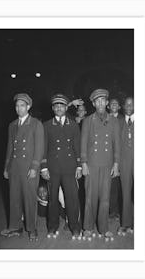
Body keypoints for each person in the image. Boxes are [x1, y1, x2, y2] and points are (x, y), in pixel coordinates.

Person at [0, 93, 44, 241]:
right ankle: (15, 227)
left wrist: (34, 167)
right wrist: (7, 167)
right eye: (17, 106)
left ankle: (32, 229)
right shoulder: (12, 125)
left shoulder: (36, 124)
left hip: (29, 168)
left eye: (22, 105)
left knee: (30, 198)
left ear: (28, 107)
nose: (19, 108)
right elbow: (9, 148)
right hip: (14, 167)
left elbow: (39, 148)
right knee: (14, 198)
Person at [81, 88, 120, 242]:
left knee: (105, 198)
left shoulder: (114, 121)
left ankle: (104, 228)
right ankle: (88, 227)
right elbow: (83, 143)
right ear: (93, 103)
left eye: (103, 100)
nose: (100, 103)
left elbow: (116, 144)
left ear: (107, 102)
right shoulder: (88, 120)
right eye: (97, 101)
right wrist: (83, 163)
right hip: (91, 164)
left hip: (107, 163)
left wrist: (116, 163)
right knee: (90, 197)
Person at [41, 94, 82, 240]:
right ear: (53, 108)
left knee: (72, 198)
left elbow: (77, 147)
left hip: (70, 167)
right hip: (52, 168)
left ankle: (75, 227)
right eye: (56, 106)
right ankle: (52, 226)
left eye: (62, 106)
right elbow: (43, 147)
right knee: (52, 199)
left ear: (66, 108)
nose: (59, 108)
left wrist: (79, 166)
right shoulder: (46, 125)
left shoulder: (73, 124)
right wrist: (43, 167)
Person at [117, 97, 134, 236]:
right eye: (127, 104)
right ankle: (126, 223)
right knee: (126, 193)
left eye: (132, 104)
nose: (129, 106)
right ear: (123, 106)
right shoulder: (119, 122)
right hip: (124, 162)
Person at [108, 98, 123, 221]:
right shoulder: (104, 118)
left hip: (119, 157)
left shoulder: (123, 120)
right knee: (107, 185)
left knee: (117, 186)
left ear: (119, 107)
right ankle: (108, 210)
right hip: (106, 157)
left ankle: (115, 211)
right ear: (108, 106)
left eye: (116, 103)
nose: (114, 105)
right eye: (112, 103)